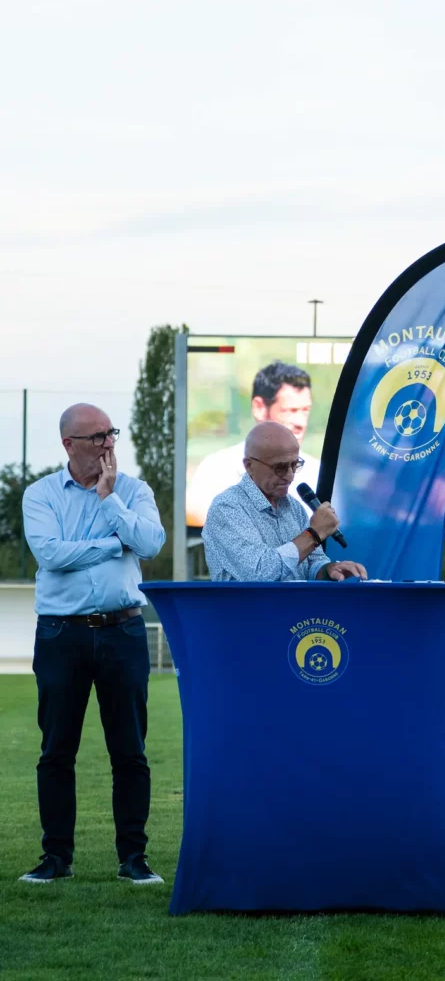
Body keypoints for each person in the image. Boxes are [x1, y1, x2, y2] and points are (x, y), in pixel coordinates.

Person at [19, 404, 166, 885]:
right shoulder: (41, 494)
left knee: (130, 751)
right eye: (98, 436)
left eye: (111, 434)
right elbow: (50, 555)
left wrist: (109, 501)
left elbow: (151, 544)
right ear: (69, 444)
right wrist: (112, 543)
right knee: (56, 751)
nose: (108, 444)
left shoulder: (133, 491)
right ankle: (55, 858)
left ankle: (134, 858)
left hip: (124, 631)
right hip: (61, 634)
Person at [203, 421, 367, 583]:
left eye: (295, 465)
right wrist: (314, 533)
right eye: (280, 467)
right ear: (249, 465)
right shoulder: (227, 507)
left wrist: (328, 570)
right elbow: (259, 574)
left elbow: (312, 564)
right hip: (249, 602)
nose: (290, 475)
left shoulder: (294, 507)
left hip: (297, 601)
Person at [187, 361, 321, 527]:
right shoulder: (216, 470)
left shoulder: (316, 472)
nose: (301, 422)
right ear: (259, 408)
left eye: (305, 410)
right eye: (290, 411)